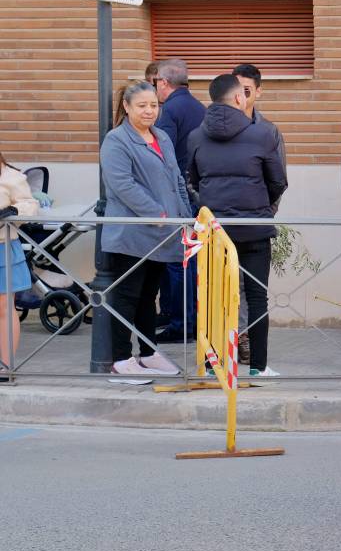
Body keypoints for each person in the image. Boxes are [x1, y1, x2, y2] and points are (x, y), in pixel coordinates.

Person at [187, 74, 288, 377]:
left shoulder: (195, 137)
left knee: (213, 296)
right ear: (238, 98)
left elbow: (192, 180)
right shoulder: (263, 134)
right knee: (257, 297)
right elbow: (278, 181)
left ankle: (213, 364)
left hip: (215, 232)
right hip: (254, 228)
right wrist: (260, 206)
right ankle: (258, 367)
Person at [99, 82, 192, 377]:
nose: (149, 111)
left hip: (162, 234)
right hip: (131, 234)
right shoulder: (116, 140)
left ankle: (149, 353)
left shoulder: (161, 136)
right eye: (142, 106)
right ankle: (120, 360)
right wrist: (156, 212)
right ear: (127, 107)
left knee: (149, 297)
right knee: (127, 297)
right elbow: (122, 184)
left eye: (153, 105)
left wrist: (185, 217)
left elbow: (177, 179)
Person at [153, 59, 206, 343]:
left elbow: (164, 156)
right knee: (191, 259)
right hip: (198, 193)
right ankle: (190, 319)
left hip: (178, 196)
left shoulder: (170, 110)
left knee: (178, 261)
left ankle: (181, 325)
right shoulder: (199, 107)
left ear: (163, 82)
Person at [0, 151, 38, 376]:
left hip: (3, 247)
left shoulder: (12, 177)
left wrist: (14, 211)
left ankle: (6, 366)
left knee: (4, 307)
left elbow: (30, 205)